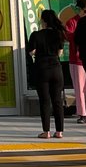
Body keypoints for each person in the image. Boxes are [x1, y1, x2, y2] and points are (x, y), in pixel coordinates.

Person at [27, 8, 67, 139]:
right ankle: (59, 131)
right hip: (56, 69)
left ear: (43, 21)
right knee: (57, 101)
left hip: (42, 69)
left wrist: (39, 52)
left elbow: (31, 52)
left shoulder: (36, 35)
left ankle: (46, 131)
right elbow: (60, 53)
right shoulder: (58, 34)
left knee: (45, 101)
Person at [66, 0, 86, 124]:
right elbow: (69, 36)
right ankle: (85, 113)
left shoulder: (75, 21)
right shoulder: (72, 22)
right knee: (83, 88)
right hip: (79, 59)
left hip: (83, 58)